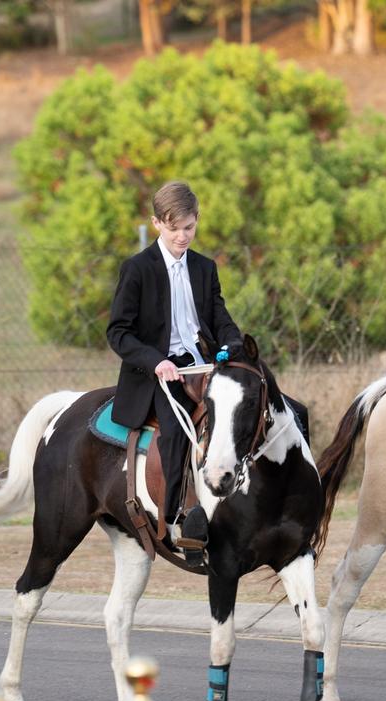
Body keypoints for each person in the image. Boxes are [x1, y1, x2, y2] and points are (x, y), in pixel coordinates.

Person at [106, 181, 243, 566]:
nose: (182, 236)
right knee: (178, 429)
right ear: (156, 224)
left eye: (189, 227)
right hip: (159, 374)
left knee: (254, 406)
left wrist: (232, 344)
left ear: (197, 221)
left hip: (202, 366)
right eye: (174, 228)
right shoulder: (136, 269)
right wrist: (156, 361)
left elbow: (219, 316)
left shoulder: (204, 268)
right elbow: (118, 332)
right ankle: (179, 520)